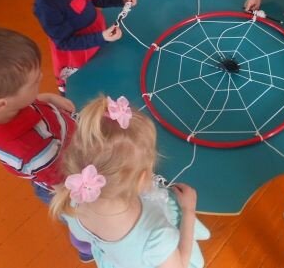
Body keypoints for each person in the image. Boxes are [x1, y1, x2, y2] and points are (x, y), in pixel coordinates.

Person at [0, 26, 94, 262]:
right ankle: (85, 248)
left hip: (57, 153)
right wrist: (87, 200)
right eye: (33, 83)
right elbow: (64, 186)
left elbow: (26, 104)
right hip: (63, 182)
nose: (41, 77)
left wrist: (45, 98)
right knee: (80, 221)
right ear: (1, 104)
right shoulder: (34, 150)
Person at [50, 95, 209, 267]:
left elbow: (82, 236)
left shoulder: (72, 199)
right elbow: (181, 265)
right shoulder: (157, 235)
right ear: (142, 179)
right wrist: (188, 211)